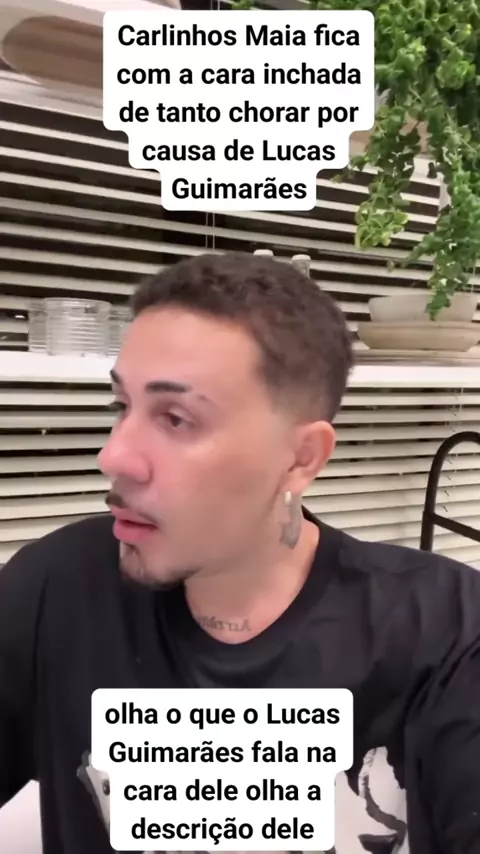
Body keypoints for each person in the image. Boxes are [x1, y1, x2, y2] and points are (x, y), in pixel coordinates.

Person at [1, 251, 480, 854]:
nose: (114, 455)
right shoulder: (57, 589)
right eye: (122, 406)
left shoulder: (448, 630)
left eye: (176, 418)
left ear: (301, 458)